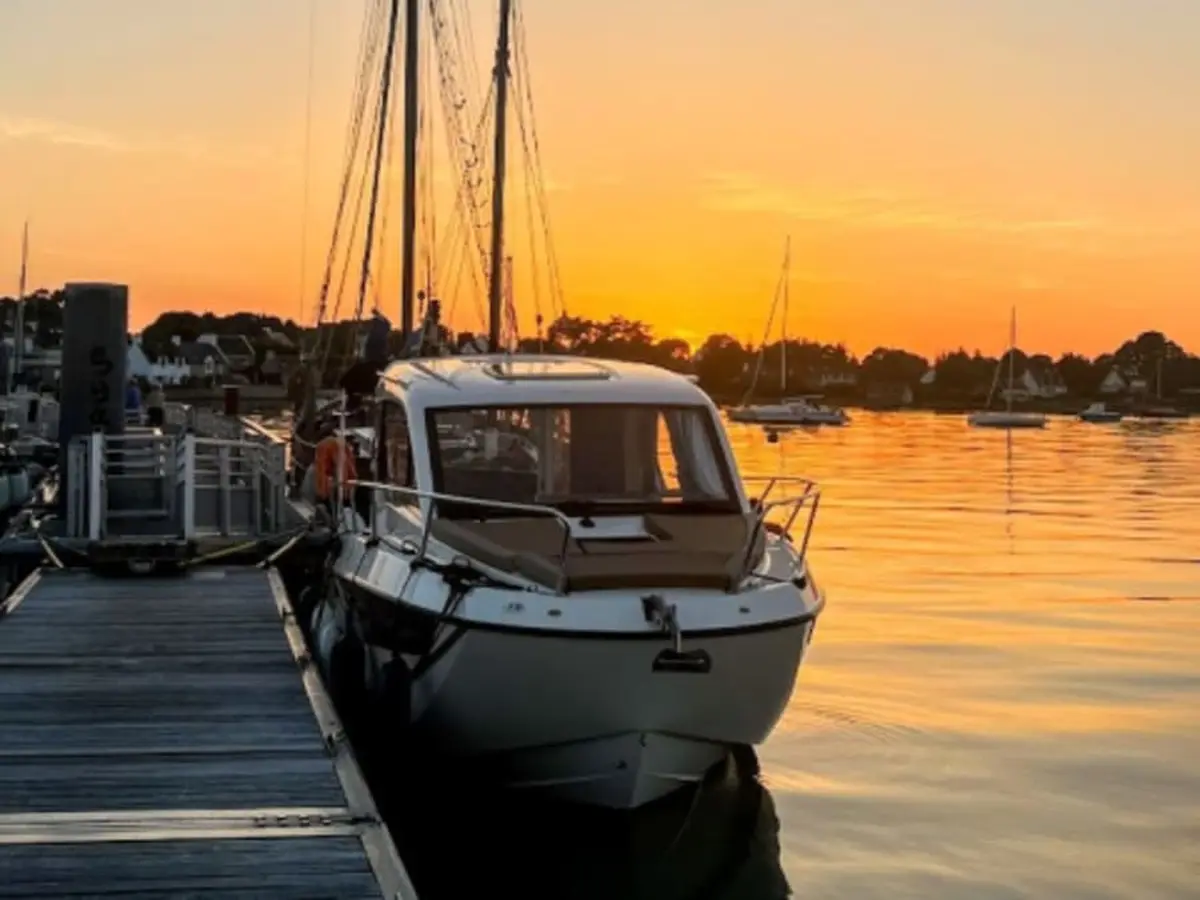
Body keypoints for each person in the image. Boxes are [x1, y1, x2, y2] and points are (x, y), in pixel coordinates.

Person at [312, 432, 358, 516]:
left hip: (329, 489)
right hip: (337, 490)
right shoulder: (338, 448)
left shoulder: (326, 446)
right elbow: (342, 467)